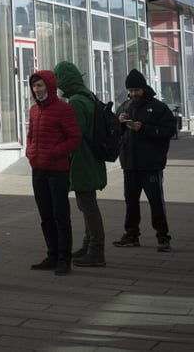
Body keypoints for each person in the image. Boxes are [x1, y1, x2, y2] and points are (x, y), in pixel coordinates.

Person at [113, 69, 176, 252]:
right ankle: (131, 235)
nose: (133, 94)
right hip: (130, 164)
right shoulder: (125, 106)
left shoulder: (158, 107)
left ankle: (163, 236)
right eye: (131, 90)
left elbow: (168, 130)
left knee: (156, 201)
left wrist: (144, 128)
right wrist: (120, 121)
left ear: (144, 88)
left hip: (150, 164)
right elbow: (116, 132)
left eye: (136, 90)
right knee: (130, 201)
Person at [53, 60, 107, 268]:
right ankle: (88, 245)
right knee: (87, 203)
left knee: (87, 205)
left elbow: (73, 134)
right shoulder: (88, 95)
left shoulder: (76, 101)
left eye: (58, 79)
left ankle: (96, 250)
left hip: (82, 159)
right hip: (91, 157)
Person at [26, 70, 80, 275]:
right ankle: (52, 254)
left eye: (40, 85)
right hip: (38, 168)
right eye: (34, 86)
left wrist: (54, 152)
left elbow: (74, 138)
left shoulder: (63, 109)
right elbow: (31, 134)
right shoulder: (34, 110)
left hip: (57, 170)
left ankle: (64, 258)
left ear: (49, 86)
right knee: (45, 214)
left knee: (60, 215)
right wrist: (30, 152)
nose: (37, 89)